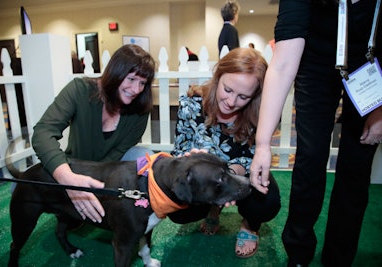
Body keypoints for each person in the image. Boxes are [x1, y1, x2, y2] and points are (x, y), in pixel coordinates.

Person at [249, 1, 382, 266]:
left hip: (371, 65)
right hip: (315, 61)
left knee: (356, 166)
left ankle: (339, 258)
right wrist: (263, 143)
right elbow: (283, 64)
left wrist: (380, 112)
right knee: (310, 156)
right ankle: (298, 254)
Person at [169, 47, 281, 258]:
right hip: (205, 180)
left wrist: (229, 176)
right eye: (227, 90)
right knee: (178, 208)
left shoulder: (261, 114)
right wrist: (189, 159)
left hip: (239, 177)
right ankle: (213, 208)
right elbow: (179, 149)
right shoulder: (191, 105)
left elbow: (252, 159)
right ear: (217, 76)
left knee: (267, 201)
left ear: (255, 96)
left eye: (243, 96)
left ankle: (249, 225)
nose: (231, 102)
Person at [31, 44, 156, 224]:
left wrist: (94, 187)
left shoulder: (140, 111)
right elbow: (43, 132)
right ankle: (66, 209)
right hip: (74, 167)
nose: (136, 89)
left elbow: (118, 153)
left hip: (108, 171)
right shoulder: (79, 90)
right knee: (18, 188)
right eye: (131, 79)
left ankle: (126, 211)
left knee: (141, 156)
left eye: (142, 83)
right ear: (115, 73)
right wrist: (69, 180)